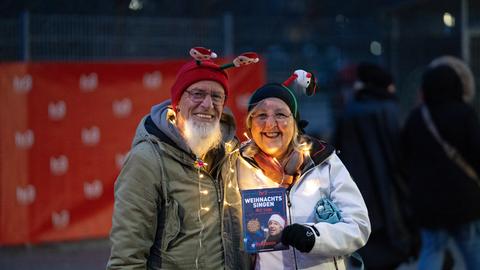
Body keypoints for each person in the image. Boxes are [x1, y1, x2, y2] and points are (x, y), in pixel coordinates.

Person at [107, 55, 248, 269]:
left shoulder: (231, 153)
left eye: (217, 97)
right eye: (197, 94)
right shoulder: (147, 160)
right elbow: (126, 259)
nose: (208, 104)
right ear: (177, 102)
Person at [236, 83, 371, 269]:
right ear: (250, 125)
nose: (270, 124)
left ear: (295, 123)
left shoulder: (323, 162)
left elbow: (359, 226)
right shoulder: (238, 167)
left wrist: (314, 237)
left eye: (281, 114)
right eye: (261, 115)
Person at [333, 63, 415, 269]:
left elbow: (339, 147)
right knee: (391, 239)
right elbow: (399, 150)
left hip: (357, 184)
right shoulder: (388, 109)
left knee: (366, 240)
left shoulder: (350, 109)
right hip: (388, 185)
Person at [401, 55, 480, 269]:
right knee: (472, 248)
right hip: (464, 199)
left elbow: (404, 156)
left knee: (432, 251)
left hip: (428, 201)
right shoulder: (465, 114)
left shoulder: (417, 117)